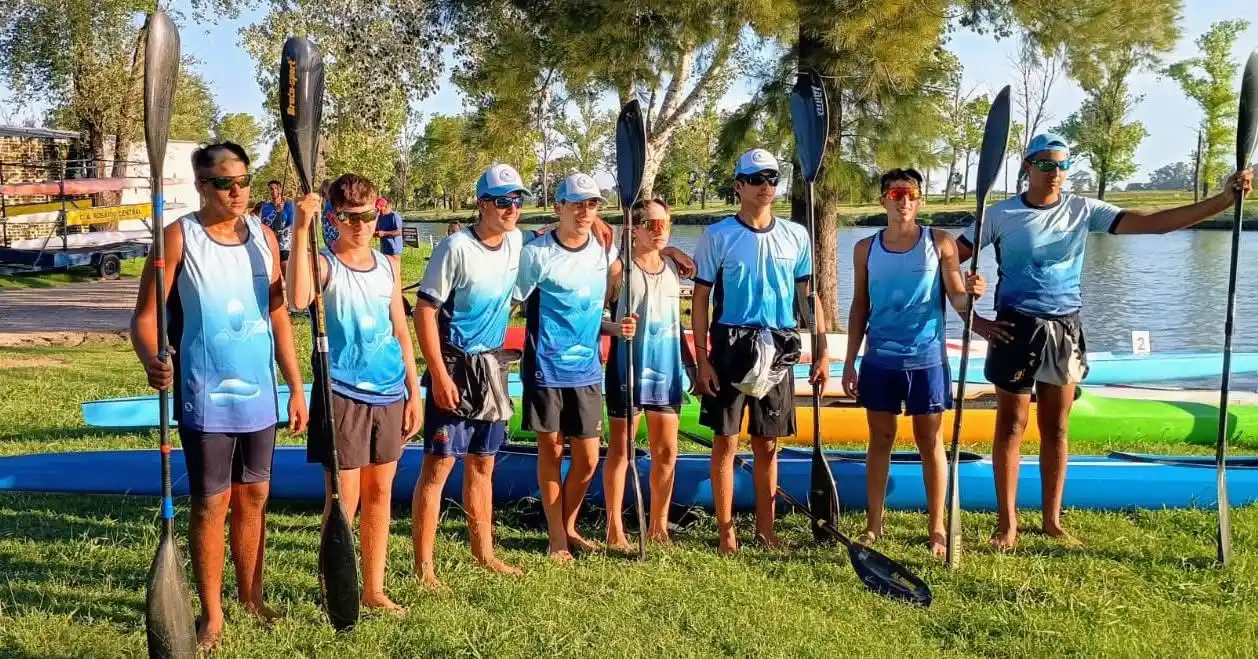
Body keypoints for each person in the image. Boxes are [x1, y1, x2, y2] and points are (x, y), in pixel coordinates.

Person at [958, 132, 1254, 549]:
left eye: (1062, 165)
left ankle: (1051, 521)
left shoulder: (1084, 210)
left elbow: (1154, 225)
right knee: (1010, 427)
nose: (1055, 173)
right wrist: (973, 318)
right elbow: (948, 257)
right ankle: (1007, 525)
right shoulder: (1001, 215)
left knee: (1056, 428)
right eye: (1045, 164)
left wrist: (1223, 200)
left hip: (1064, 328)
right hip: (1014, 328)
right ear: (1027, 167)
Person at [130, 142, 308, 652]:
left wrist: (294, 386)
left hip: (260, 398)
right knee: (212, 503)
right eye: (226, 183)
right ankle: (213, 615)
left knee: (256, 497)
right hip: (203, 397)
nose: (238, 192)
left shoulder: (265, 237)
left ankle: (251, 596)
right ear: (203, 186)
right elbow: (144, 319)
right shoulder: (178, 238)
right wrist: (151, 358)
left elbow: (278, 316)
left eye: (245, 181)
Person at [287, 173, 421, 613]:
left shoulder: (388, 265)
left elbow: (401, 330)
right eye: (347, 217)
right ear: (334, 218)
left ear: (376, 213)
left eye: (365, 216)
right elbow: (296, 295)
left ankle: (374, 588)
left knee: (381, 494)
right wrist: (301, 227)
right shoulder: (324, 264)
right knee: (343, 500)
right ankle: (336, 587)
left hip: (389, 393)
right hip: (341, 394)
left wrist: (413, 391)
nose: (358, 225)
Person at [841, 168, 984, 558]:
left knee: (929, 441)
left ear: (920, 201)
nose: (904, 201)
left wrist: (970, 293)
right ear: (883, 199)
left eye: (911, 194)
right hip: (880, 360)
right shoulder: (865, 249)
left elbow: (956, 298)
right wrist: (850, 361)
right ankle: (874, 522)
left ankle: (937, 526)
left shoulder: (941, 243)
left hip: (927, 360)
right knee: (880, 440)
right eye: (896, 193)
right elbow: (859, 307)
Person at [692, 148, 827, 556]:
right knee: (726, 442)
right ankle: (726, 533)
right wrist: (702, 358)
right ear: (738, 186)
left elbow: (808, 296)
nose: (765, 186)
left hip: (779, 344)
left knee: (768, 443)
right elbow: (700, 298)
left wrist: (821, 350)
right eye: (756, 179)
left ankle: (766, 531)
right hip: (732, 345)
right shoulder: (718, 236)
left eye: (771, 178)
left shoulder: (796, 235)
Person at [410, 163, 532, 589]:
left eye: (518, 199)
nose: (511, 208)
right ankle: (423, 567)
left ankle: (485, 553)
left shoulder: (517, 241)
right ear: (482, 204)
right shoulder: (454, 248)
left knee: (483, 464)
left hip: (493, 367)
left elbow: (558, 243)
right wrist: (439, 375)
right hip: (456, 367)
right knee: (439, 466)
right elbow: (424, 311)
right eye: (502, 201)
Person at [513, 172, 632, 562]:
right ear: (558, 207)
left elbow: (614, 281)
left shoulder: (603, 249)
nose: (584, 211)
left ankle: (566, 524)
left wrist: (618, 325)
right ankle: (557, 538)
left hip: (587, 370)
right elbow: (509, 298)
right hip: (544, 366)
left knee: (588, 459)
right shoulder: (537, 253)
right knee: (552, 449)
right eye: (576, 203)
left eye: (592, 204)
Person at [602, 198, 695, 550]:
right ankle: (615, 530)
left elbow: (678, 321)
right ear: (634, 228)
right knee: (621, 452)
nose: (659, 232)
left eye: (665, 225)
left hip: (667, 371)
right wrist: (615, 327)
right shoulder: (618, 270)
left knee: (667, 452)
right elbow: (596, 320)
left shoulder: (673, 266)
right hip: (628, 369)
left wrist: (691, 366)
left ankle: (658, 527)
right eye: (652, 225)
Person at [258, 179, 295, 270]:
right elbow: (264, 226)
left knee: (286, 270)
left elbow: (291, 225)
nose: (274, 191)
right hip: (270, 246)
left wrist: (281, 213)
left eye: (276, 188)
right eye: (271, 189)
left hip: (285, 246)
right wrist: (277, 213)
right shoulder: (265, 208)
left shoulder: (289, 205)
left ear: (280, 189)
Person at [374, 197, 405, 277]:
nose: (379, 211)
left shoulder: (394, 216)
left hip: (394, 249)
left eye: (380, 209)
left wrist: (384, 233)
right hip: (384, 249)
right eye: (377, 209)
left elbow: (399, 231)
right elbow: (376, 230)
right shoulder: (380, 216)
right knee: (386, 271)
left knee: (395, 271)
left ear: (386, 206)